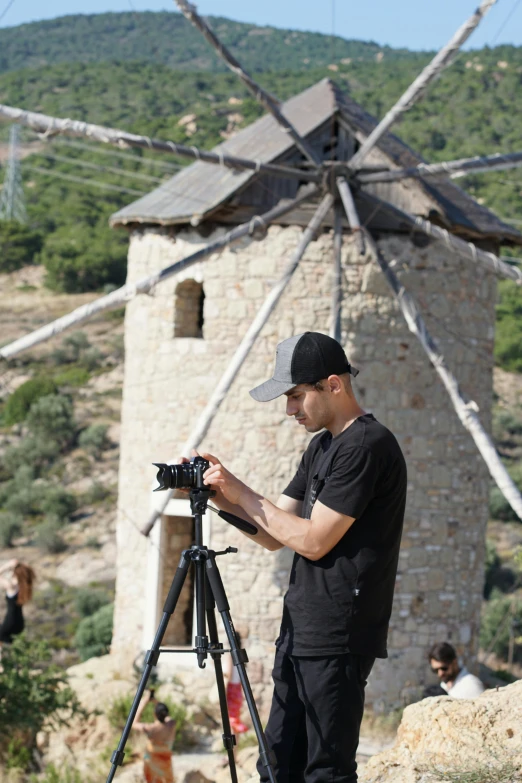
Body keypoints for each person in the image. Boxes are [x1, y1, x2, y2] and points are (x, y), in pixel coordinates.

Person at [198, 332, 408, 783]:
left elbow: (313, 541)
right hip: (301, 629)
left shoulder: (366, 446)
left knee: (325, 771)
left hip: (339, 633)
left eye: (295, 396)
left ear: (334, 385)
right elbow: (277, 534)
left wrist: (242, 491)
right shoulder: (323, 446)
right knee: (277, 764)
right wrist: (218, 496)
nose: (289, 410)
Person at [132, 691, 177, 783]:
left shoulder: (150, 729)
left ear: (154, 714)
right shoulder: (171, 725)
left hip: (151, 765)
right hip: (166, 764)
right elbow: (164, 712)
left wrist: (145, 701)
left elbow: (134, 723)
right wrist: (156, 701)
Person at [0, 559, 35, 647]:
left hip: (10, 622)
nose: (11, 574)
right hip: (19, 624)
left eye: (13, 572)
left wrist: (8, 565)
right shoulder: (23, 588)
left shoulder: (11, 587)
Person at [225, 631, 248, 736]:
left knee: (230, 721)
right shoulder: (240, 655)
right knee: (235, 719)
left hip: (231, 689)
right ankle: (236, 750)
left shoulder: (231, 655)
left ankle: (232, 750)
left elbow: (228, 675)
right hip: (238, 689)